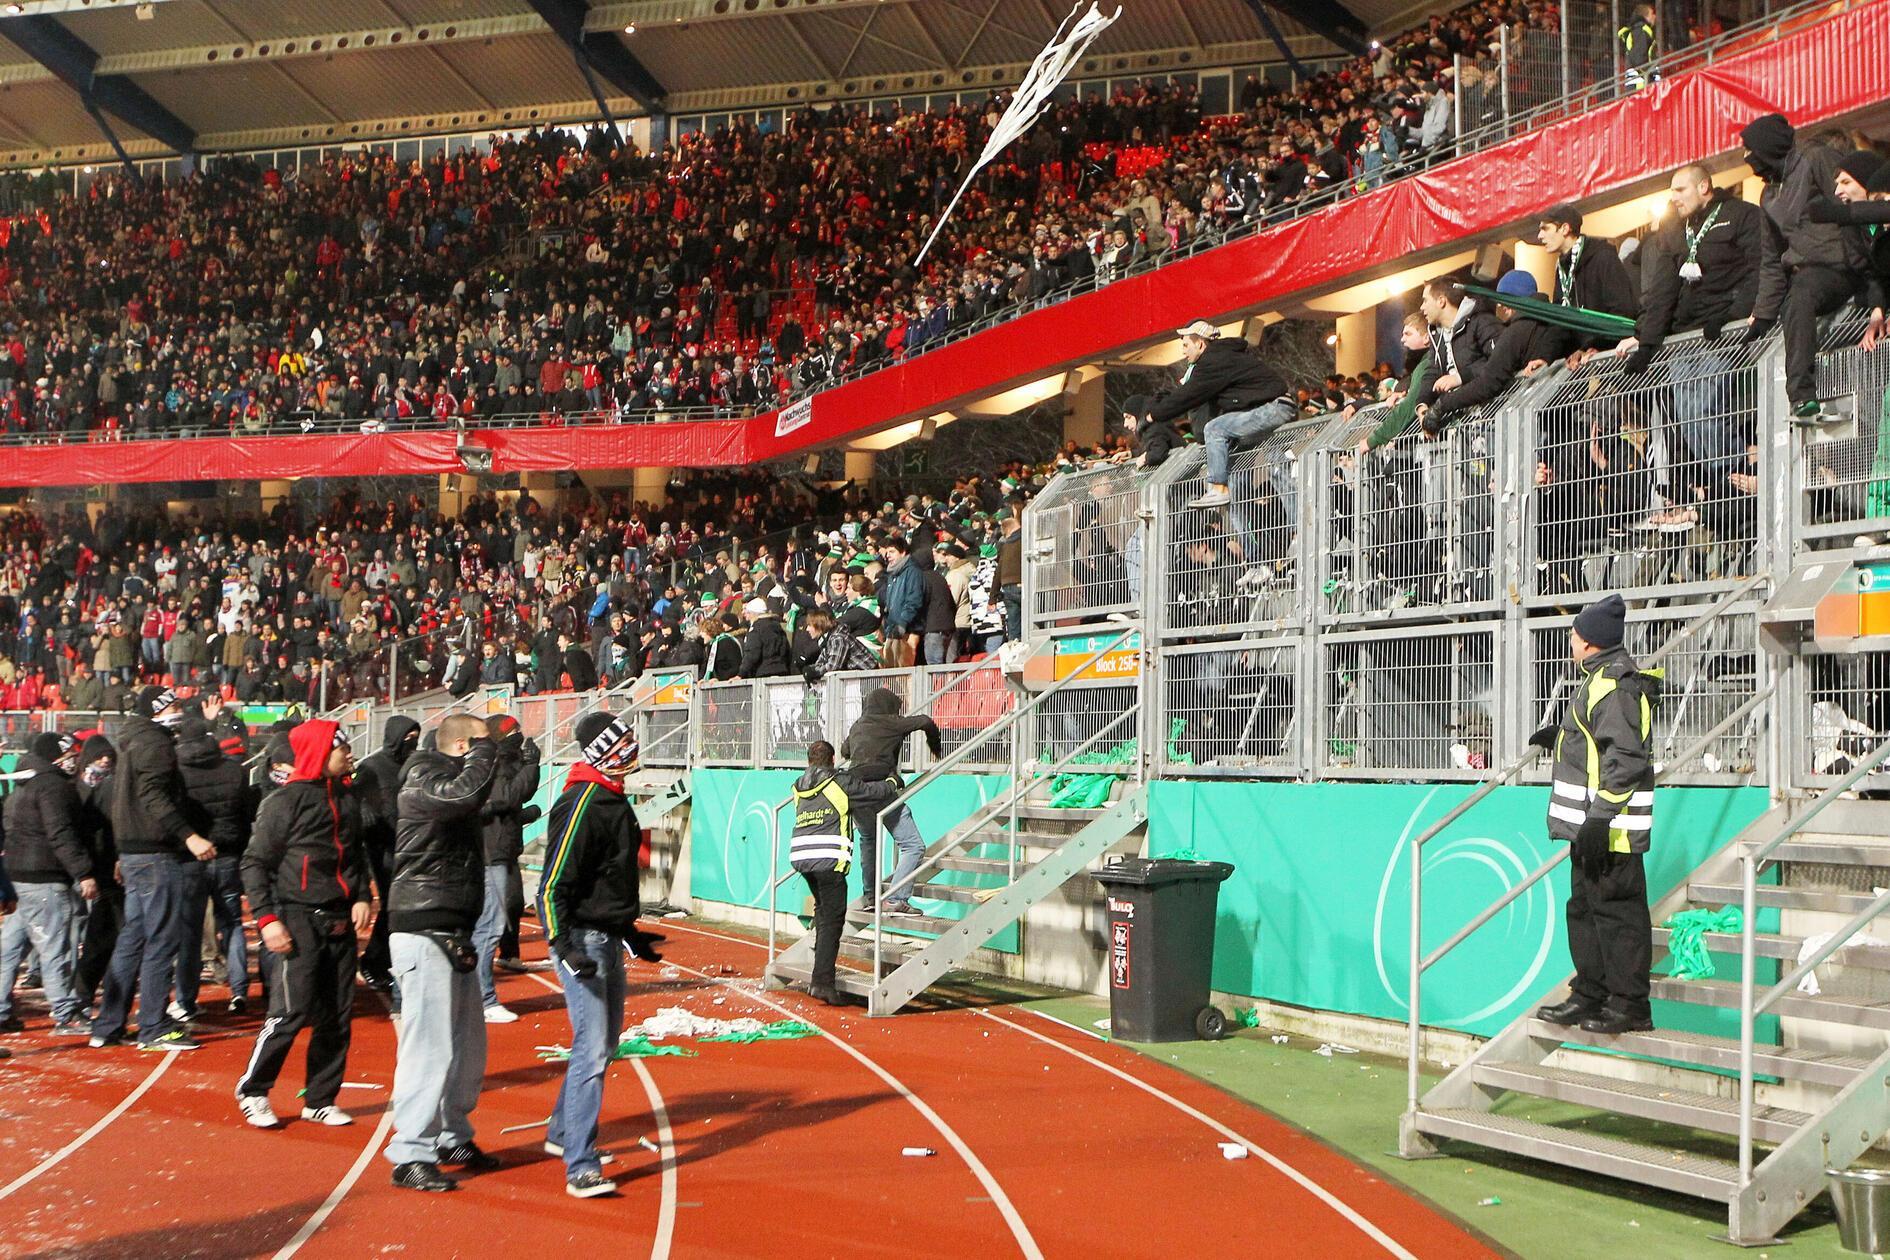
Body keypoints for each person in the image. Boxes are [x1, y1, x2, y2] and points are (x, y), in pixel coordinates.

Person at [1531, 594, 1662, 1036]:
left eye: (1573, 635)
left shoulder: (1616, 685)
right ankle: (1591, 991)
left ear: (1588, 642)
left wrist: (1600, 818)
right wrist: (1564, 737)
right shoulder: (1600, 679)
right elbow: (1599, 745)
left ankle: (1630, 1006)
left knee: (1618, 915)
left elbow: (1625, 759)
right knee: (1585, 911)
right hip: (1591, 828)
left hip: (1609, 830)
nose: (1570, 642)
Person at [236, 720, 372, 1129]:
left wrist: (362, 894)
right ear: (317, 754)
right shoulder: (284, 802)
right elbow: (255, 863)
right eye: (341, 748)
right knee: (290, 1012)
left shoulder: (347, 799)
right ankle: (254, 1090)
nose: (349, 754)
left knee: (336, 1015)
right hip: (296, 918)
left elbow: (354, 856)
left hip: (339, 921)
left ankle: (320, 1098)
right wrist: (267, 920)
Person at [384, 713, 500, 1192]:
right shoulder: (422, 776)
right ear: (463, 746)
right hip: (423, 924)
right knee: (428, 1046)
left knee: (468, 1048)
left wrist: (511, 759)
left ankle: (453, 1134)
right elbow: (466, 794)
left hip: (454, 924)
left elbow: (497, 796)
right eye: (481, 747)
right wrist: (487, 754)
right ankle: (410, 1150)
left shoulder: (452, 783)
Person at [539, 712, 651, 1199]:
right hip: (583, 940)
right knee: (592, 1049)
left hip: (605, 936)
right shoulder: (583, 802)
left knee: (602, 1044)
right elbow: (552, 882)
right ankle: (579, 1164)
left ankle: (562, 1131)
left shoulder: (612, 800)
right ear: (606, 748)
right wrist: (562, 944)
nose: (632, 746)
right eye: (624, 740)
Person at [93, 685, 216, 1052]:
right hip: (155, 852)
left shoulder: (132, 744)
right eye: (174, 704)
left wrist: (121, 850)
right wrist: (189, 836)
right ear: (161, 709)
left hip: (135, 851)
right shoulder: (156, 744)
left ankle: (109, 1023)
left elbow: (125, 799)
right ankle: (153, 1025)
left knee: (133, 937)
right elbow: (152, 795)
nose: (180, 710)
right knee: (162, 938)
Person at [1742, 113, 1871, 422]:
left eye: (1750, 150)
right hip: (1807, 276)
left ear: (1767, 147)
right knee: (1797, 294)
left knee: (1800, 294)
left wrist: (1865, 264)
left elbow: (1850, 205)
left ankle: (1801, 395)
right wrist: (1763, 313)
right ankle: (1802, 397)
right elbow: (1772, 259)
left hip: (1840, 266)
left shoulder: (1816, 158)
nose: (1747, 157)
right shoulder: (1767, 196)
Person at [0, 734, 94, 1037]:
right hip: (45, 876)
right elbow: (60, 832)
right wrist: (83, 871)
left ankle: (1, 1009)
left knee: (10, 948)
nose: (72, 760)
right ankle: (65, 1013)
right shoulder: (53, 786)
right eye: (67, 754)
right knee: (55, 946)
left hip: (19, 875)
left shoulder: (24, 785)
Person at [1148, 320, 1294, 510]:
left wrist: (1153, 415)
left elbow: (1187, 396)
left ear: (1200, 344)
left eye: (1185, 345)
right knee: (1242, 478)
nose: (1183, 351)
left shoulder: (1213, 361)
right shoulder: (1222, 357)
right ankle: (1279, 527)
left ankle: (1218, 488)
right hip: (1266, 409)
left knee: (1215, 429)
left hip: (1275, 408)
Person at [175, 709, 257, 1019]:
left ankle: (185, 998)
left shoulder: (177, 771)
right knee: (232, 922)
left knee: (191, 931)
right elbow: (243, 813)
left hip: (192, 857)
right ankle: (239, 991)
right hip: (226, 855)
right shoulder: (233, 771)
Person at [841, 687, 941, 916]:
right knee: (913, 845)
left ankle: (871, 898)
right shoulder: (891, 722)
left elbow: (845, 751)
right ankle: (896, 898)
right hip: (881, 788)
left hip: (856, 791)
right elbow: (925, 720)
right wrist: (934, 745)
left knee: (869, 841)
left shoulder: (858, 726)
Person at [1421, 269, 1560, 424]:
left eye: (1503, 298)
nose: (1499, 304)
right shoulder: (1556, 321)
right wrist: (1422, 403)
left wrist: (1443, 404)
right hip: (1549, 410)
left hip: (1523, 415)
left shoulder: (1511, 329)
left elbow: (1490, 378)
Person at [474, 714, 542, 1024]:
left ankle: (483, 989)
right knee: (488, 926)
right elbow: (509, 796)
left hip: (500, 849)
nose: (520, 736)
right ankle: (483, 997)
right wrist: (530, 767)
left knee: (499, 917)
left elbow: (512, 801)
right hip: (492, 854)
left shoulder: (501, 761)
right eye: (514, 731)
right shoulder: (494, 762)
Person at [351, 716, 421, 994]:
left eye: (416, 736)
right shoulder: (371, 767)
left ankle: (387, 960)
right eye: (408, 737)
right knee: (393, 906)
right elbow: (354, 796)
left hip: (409, 843)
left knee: (404, 907)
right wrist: (364, 809)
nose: (412, 742)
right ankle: (373, 961)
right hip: (381, 847)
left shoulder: (413, 764)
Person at [787, 740, 853, 1006]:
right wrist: (893, 784)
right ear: (833, 759)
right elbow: (869, 793)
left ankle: (819, 979)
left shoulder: (798, 786)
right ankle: (823, 982)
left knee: (824, 915)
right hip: (828, 860)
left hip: (802, 859)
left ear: (808, 761)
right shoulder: (838, 782)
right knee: (832, 921)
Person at [1537, 203, 1639, 366]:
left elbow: (1622, 311)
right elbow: (1560, 319)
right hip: (1591, 361)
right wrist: (1544, 357)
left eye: (1545, 229)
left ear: (1564, 229)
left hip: (1621, 360)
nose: (1539, 236)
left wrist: (1596, 345)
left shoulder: (1603, 257)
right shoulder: (1563, 269)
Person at [1617, 1, 1657, 92]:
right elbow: (1639, 58)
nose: (1654, 16)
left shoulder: (1635, 30)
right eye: (1652, 14)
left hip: (1635, 81)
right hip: (1641, 81)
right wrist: (1649, 76)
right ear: (1645, 16)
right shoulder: (1641, 31)